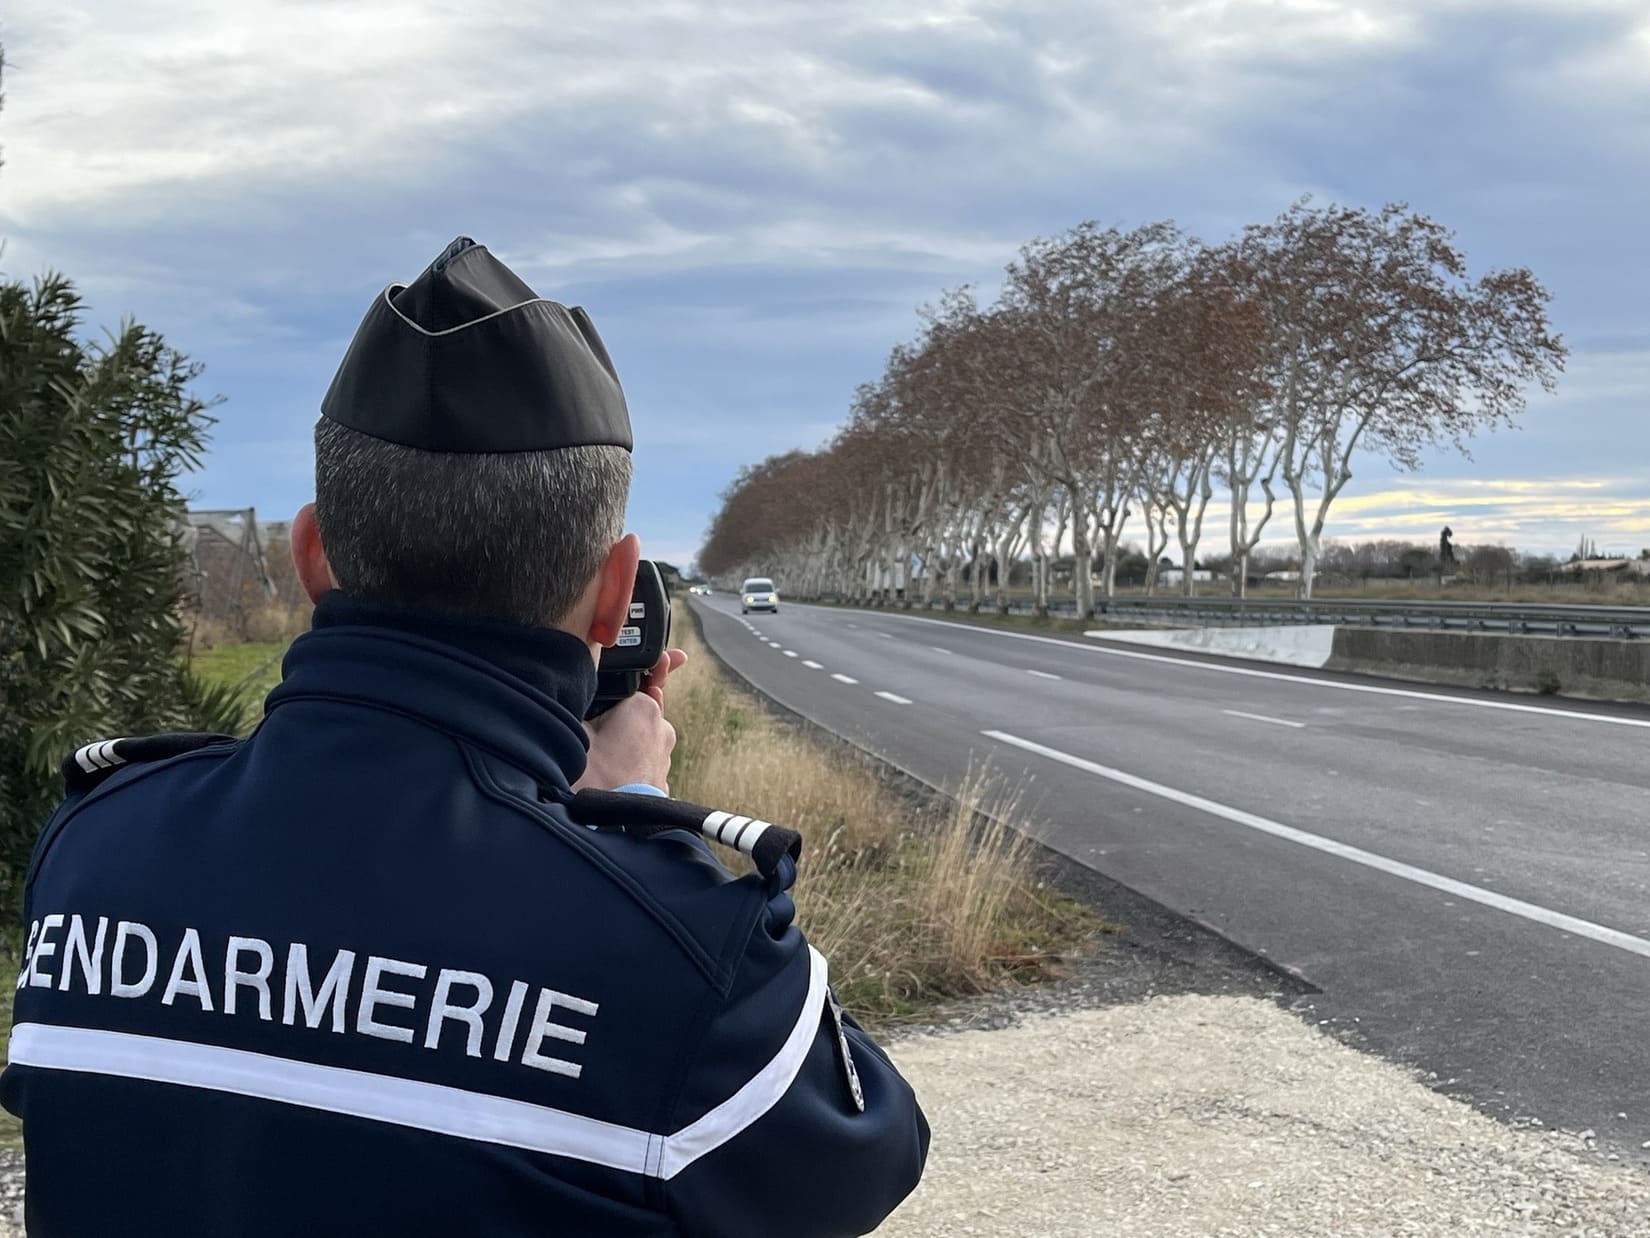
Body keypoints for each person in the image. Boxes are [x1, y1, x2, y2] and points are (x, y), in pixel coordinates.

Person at [2, 237, 930, 1236]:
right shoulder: (681, 953)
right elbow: (865, 1155)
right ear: (616, 592)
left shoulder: (94, 847)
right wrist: (635, 818)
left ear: (310, 554)